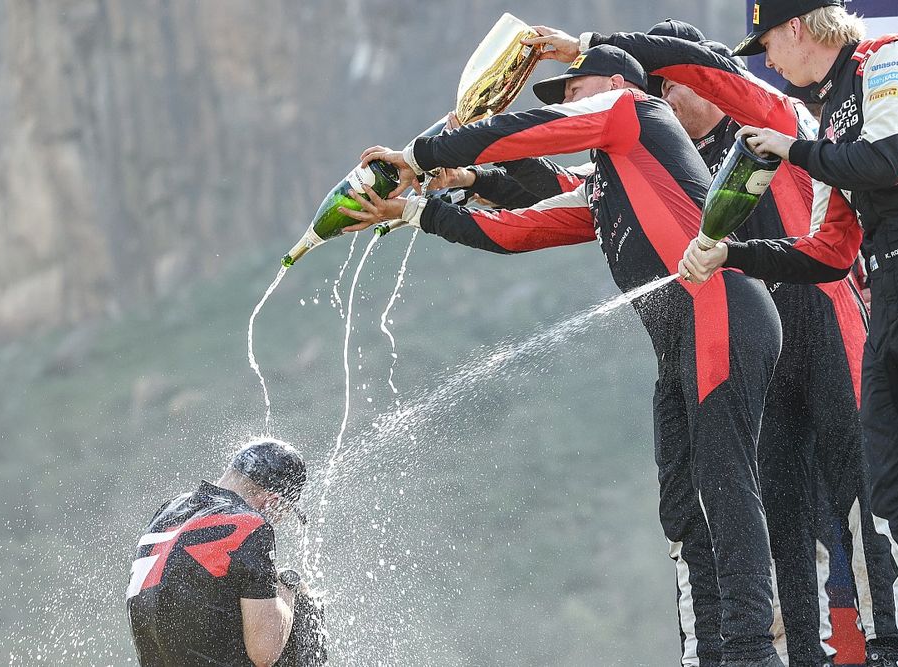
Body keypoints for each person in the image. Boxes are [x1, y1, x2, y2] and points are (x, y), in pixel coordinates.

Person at [344, 44, 785, 667]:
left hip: (722, 312)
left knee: (724, 481)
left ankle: (749, 652)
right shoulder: (612, 178)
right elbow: (517, 228)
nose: (568, 101)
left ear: (610, 83)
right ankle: (709, 650)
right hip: (682, 339)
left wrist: (420, 155)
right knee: (684, 503)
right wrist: (419, 209)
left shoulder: (635, 110)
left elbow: (530, 133)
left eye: (574, 89)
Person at [522, 21, 898, 667]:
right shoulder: (675, 156)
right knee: (782, 523)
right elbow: (583, 197)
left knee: (864, 497)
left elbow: (698, 65)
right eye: (659, 94)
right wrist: (472, 184)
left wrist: (585, 44)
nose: (667, 103)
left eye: (674, 88)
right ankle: (800, 656)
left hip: (828, 321)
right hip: (760, 344)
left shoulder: (760, 107)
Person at [678, 1, 898, 664]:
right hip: (892, 300)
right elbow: (826, 251)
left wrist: (792, 149)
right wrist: (733, 254)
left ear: (799, 28)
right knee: (896, 493)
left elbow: (884, 161)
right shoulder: (824, 118)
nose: (769, 61)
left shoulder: (889, 60)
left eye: (767, 44)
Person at [126, 439, 308, 667]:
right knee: (302, 605)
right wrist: (288, 585)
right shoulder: (250, 525)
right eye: (283, 513)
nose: (278, 522)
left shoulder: (168, 512)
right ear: (271, 502)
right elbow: (264, 653)